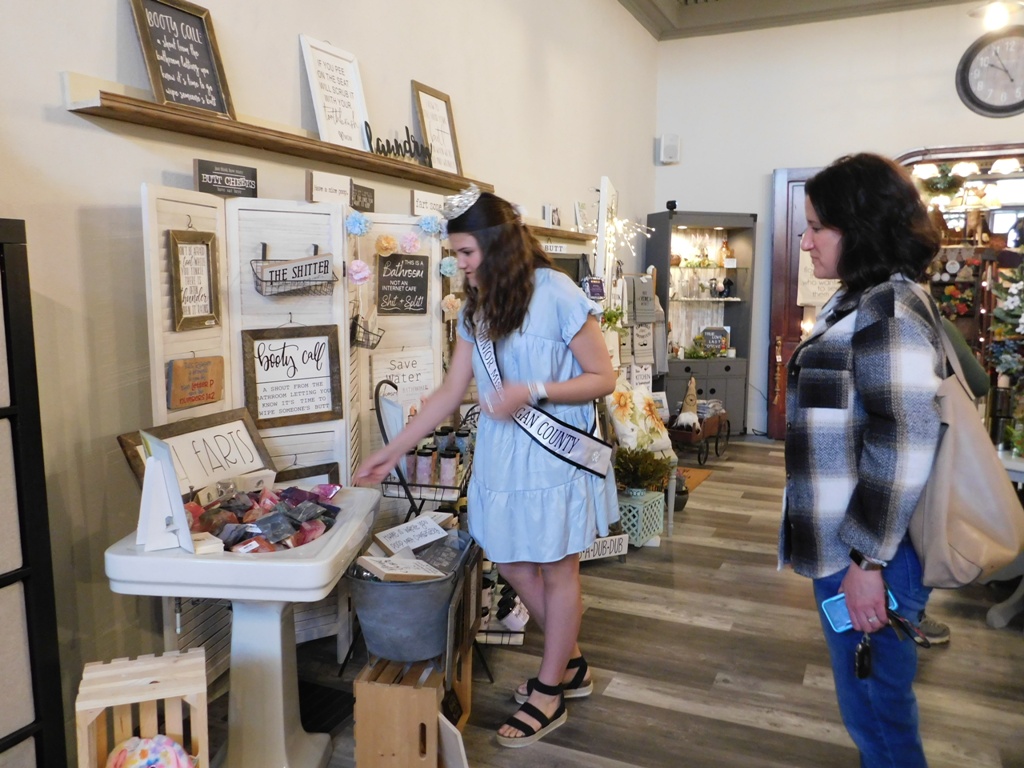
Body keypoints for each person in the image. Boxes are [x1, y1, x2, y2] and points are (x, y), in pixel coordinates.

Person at [354, 186, 618, 747]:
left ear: (498, 246)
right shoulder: (477, 308)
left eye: (467, 253)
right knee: (514, 562)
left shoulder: (558, 294)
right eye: (456, 254)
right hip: (502, 458)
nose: (461, 265)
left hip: (553, 456)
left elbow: (603, 378)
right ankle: (569, 663)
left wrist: (534, 389)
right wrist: (393, 449)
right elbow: (451, 393)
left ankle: (551, 691)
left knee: (557, 569)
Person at [781, 153, 945, 766]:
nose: (806, 242)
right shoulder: (862, 300)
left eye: (816, 227)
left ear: (861, 228)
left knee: (877, 714)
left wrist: (867, 561)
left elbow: (905, 438)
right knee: (870, 707)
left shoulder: (888, 310)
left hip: (870, 552)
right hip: (851, 545)